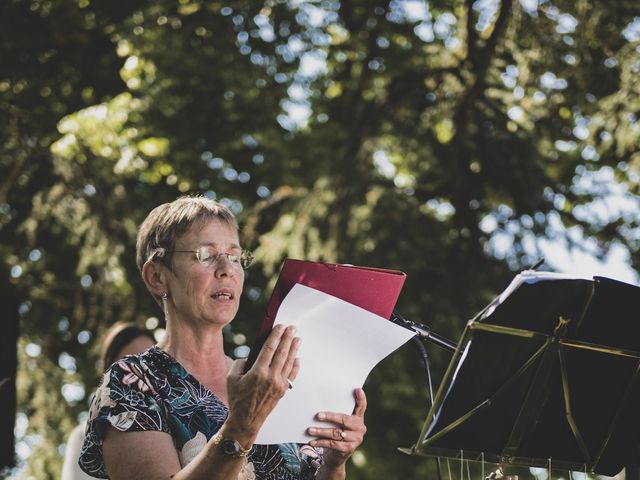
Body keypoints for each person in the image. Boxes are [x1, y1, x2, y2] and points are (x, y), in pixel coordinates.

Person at [79, 196, 368, 479]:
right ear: (157, 276)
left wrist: (334, 464)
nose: (227, 270)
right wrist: (242, 425)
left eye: (234, 256)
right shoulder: (132, 383)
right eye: (205, 255)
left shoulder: (269, 380)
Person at [62, 322, 156, 479]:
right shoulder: (84, 438)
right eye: (129, 365)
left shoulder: (182, 427)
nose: (141, 375)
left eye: (150, 364)